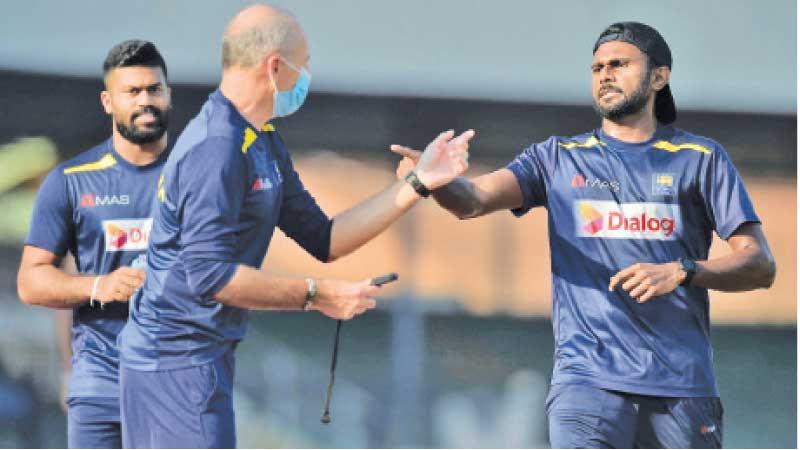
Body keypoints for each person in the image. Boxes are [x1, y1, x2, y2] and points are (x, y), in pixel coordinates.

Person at [391, 21, 776, 449]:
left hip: (681, 387)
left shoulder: (700, 158)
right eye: (596, 68)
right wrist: (434, 182)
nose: (605, 75)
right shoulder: (555, 158)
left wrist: (683, 271)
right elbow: (474, 199)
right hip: (587, 383)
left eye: (619, 64)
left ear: (659, 77)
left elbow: (760, 265)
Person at [117, 4, 473, 448]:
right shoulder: (217, 147)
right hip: (173, 364)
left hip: (201, 360)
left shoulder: (261, 139)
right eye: (304, 64)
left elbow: (325, 238)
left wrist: (419, 184)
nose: (307, 74)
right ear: (275, 67)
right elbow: (211, 276)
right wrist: (317, 294)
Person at [17, 40, 172, 448]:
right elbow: (32, 283)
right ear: (108, 101)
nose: (145, 101)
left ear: (168, 94)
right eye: (132, 91)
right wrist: (98, 285)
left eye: (154, 89)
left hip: (179, 385)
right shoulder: (71, 181)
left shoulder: (196, 178)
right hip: (100, 387)